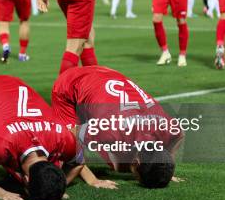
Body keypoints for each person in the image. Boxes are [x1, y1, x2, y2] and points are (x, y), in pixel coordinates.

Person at [0, 75, 115, 200]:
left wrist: (59, 184)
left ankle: (13, 170)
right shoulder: (0, 143)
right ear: (27, 179)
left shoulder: (63, 137)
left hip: (13, 86)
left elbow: (79, 160)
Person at [51, 66, 182, 188]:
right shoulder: (110, 129)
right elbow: (72, 135)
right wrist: (92, 179)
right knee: (62, 154)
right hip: (70, 83)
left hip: (107, 75)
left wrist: (164, 164)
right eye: (137, 177)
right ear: (136, 162)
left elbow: (180, 134)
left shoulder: (163, 126)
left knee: (117, 160)